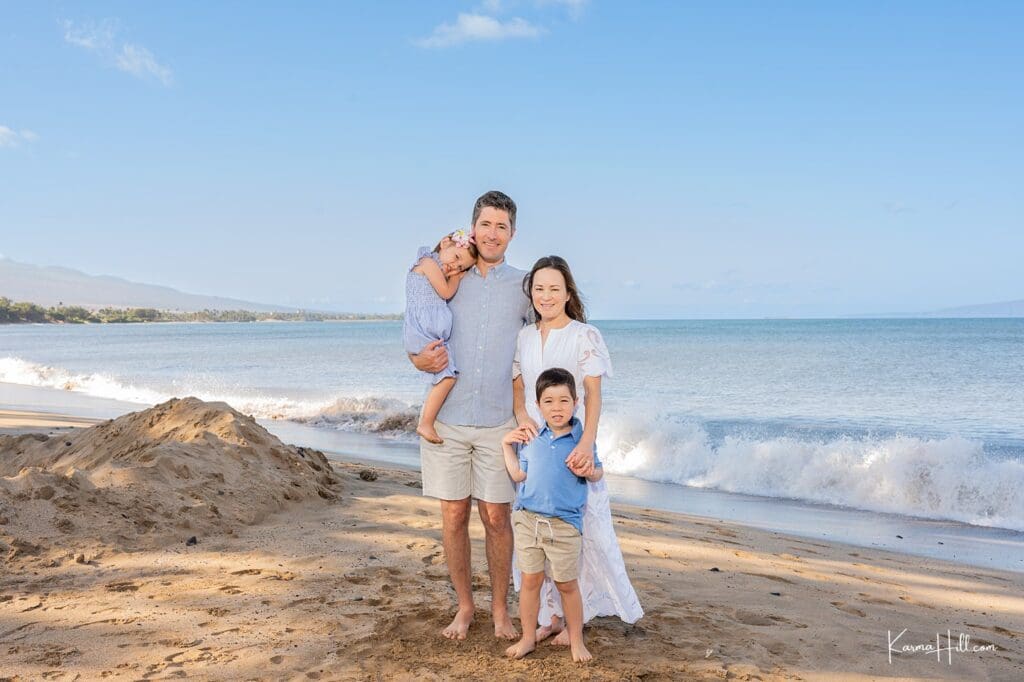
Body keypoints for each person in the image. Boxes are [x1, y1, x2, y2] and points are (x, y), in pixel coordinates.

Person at [409, 190, 532, 641]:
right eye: (486, 224)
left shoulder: (525, 287)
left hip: (500, 423)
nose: (493, 233)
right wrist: (417, 359)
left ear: (512, 234)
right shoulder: (446, 276)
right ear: (472, 228)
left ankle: (500, 611)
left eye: (502, 226)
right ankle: (464, 607)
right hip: (448, 421)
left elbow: (546, 340)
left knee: (497, 518)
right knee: (454, 515)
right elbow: (417, 326)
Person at [512, 255, 644, 644]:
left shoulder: (584, 335)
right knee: (538, 528)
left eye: (555, 288)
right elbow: (519, 389)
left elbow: (593, 395)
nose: (546, 296)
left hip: (573, 444)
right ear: (530, 293)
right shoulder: (524, 336)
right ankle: (551, 617)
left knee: (580, 532)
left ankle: (575, 621)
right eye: (539, 288)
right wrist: (523, 418)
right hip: (536, 447)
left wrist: (587, 442)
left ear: (568, 293)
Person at [501, 368, 604, 663]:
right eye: (548, 401)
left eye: (563, 401)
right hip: (527, 521)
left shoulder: (581, 440)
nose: (556, 408)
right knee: (530, 581)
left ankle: (576, 640)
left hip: (564, 526)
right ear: (538, 405)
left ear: (575, 403)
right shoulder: (532, 437)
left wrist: (590, 471)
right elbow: (519, 474)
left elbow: (597, 471)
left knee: (567, 585)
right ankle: (528, 638)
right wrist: (506, 444)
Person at [403, 229, 478, 444]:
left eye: (461, 266)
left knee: (445, 376)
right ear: (445, 243)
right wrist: (457, 277)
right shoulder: (427, 263)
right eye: (456, 257)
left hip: (426, 332)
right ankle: (425, 423)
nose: (455, 267)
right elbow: (446, 293)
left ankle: (426, 421)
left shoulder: (435, 267)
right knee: (447, 377)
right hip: (423, 332)